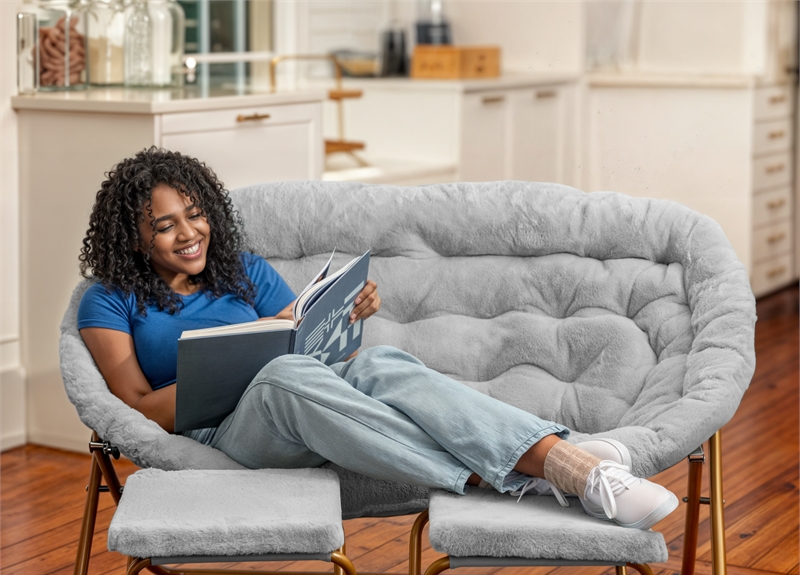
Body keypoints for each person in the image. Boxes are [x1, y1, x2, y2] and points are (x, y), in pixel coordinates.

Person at [78, 147, 678, 530]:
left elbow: (304, 345)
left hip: (304, 403)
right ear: (135, 238)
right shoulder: (107, 299)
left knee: (380, 361)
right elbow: (132, 409)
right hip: (224, 430)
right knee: (282, 378)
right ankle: (556, 466)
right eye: (165, 225)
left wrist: (343, 318)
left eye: (195, 213)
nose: (189, 233)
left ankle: (571, 467)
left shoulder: (242, 269)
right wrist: (232, 366)